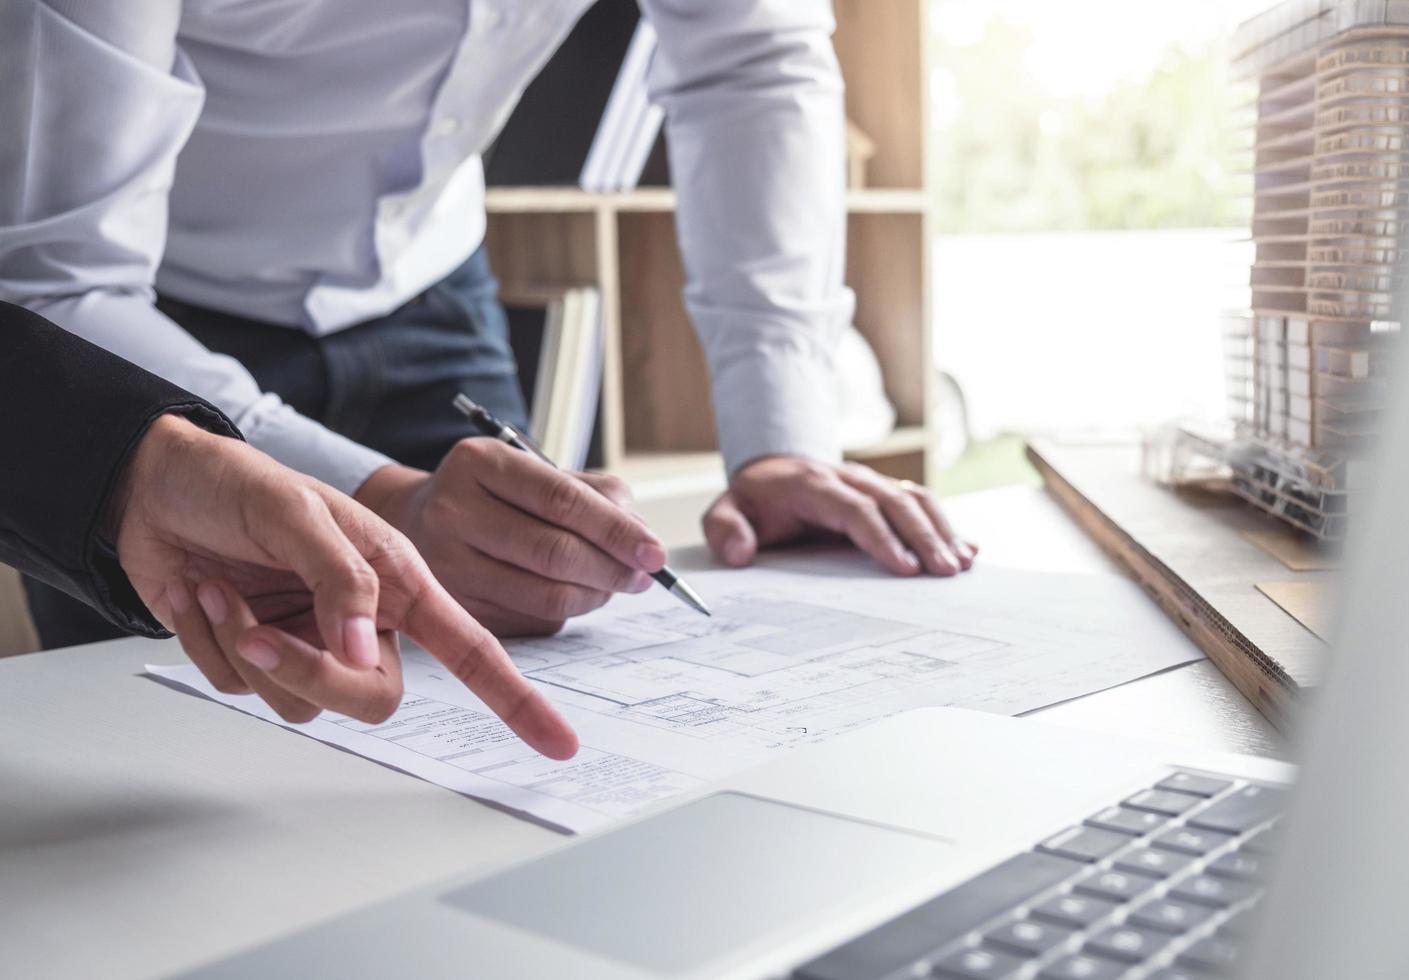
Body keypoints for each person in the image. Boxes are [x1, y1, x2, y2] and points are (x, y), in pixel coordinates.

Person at [0, 1, 974, 650]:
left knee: (523, 687)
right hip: (127, 332)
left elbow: (753, 60)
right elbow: (55, 271)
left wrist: (781, 441)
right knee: (169, 775)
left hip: (435, 276)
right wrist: (379, 497)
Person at [0, 302, 577, 759]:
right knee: (125, 732)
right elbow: (61, 271)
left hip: (440, 295)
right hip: (163, 329)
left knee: (514, 592)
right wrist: (140, 471)